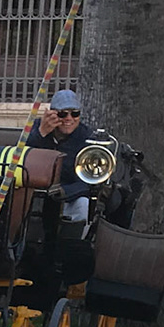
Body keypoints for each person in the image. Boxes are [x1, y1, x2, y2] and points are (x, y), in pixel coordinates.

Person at [23, 88, 99, 227]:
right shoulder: (37, 127)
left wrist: (64, 191)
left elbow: (88, 181)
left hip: (69, 196)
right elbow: (22, 156)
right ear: (52, 114)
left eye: (74, 113)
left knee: (83, 205)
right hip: (35, 193)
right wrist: (41, 133)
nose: (69, 118)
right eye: (63, 114)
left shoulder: (86, 137)